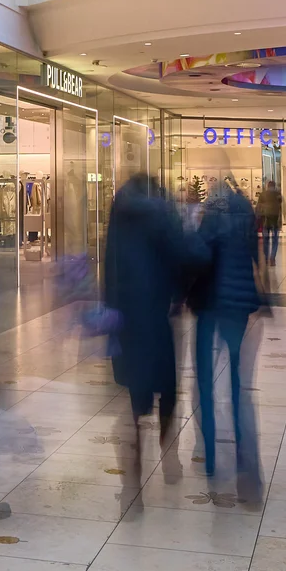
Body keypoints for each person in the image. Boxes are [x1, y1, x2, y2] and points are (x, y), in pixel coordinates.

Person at [103, 174, 207, 506]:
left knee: (133, 403)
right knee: (167, 391)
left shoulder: (118, 212)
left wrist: (109, 310)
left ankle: (132, 487)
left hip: (126, 319)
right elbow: (187, 256)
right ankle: (169, 456)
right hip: (159, 317)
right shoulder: (164, 212)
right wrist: (182, 292)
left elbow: (109, 267)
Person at [190, 177, 265, 502]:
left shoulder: (211, 216)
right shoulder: (245, 210)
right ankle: (246, 464)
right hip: (237, 306)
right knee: (237, 383)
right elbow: (254, 253)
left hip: (209, 306)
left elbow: (198, 256)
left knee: (205, 381)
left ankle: (209, 453)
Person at [255, 179, 283, 265]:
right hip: (275, 220)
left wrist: (257, 217)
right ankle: (272, 258)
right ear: (274, 186)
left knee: (266, 240)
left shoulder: (263, 195)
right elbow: (280, 206)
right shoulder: (278, 194)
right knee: (275, 240)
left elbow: (258, 207)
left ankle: (266, 258)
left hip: (265, 221)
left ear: (267, 186)